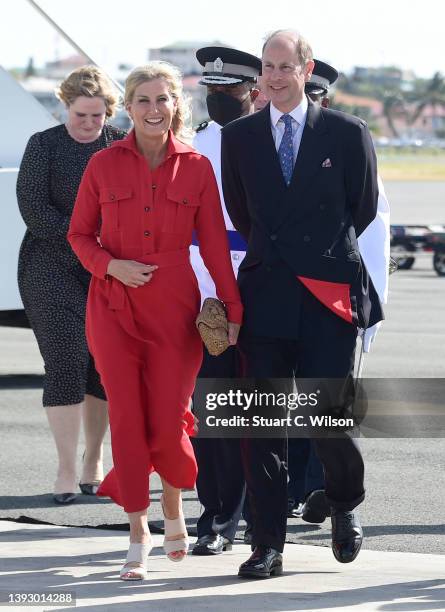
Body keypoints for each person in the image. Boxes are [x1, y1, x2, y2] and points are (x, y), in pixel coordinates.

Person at [68, 62, 242, 581]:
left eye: (161, 99)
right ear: (128, 107)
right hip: (113, 306)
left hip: (173, 308)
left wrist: (232, 310)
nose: (152, 109)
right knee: (126, 418)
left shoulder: (196, 168)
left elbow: (213, 248)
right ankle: (138, 531)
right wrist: (110, 265)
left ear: (175, 106)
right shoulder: (101, 166)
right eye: (142, 100)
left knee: (166, 422)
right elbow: (79, 236)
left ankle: (174, 508)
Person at [221, 29, 382, 578]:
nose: (273, 76)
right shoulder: (239, 137)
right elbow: (241, 213)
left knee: (329, 420)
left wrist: (318, 259)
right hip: (266, 294)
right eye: (267, 66)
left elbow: (359, 210)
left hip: (327, 295)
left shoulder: (346, 132)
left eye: (285, 66)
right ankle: (267, 543)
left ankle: (343, 502)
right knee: (260, 426)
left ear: (306, 69)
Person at [17, 66, 126, 505]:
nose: (88, 124)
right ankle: (65, 469)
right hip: (50, 266)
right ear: (66, 106)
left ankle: (92, 460)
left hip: (108, 270)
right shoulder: (43, 145)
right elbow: (35, 211)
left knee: (103, 368)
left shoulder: (120, 144)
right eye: (81, 115)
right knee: (65, 360)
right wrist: (89, 242)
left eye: (97, 116)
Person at [190, 46, 260, 556]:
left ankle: (261, 514)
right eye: (211, 92)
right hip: (204, 289)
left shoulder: (269, 141)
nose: (218, 100)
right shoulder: (193, 146)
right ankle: (215, 515)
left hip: (260, 285)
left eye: (228, 92)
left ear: (251, 92)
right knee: (208, 411)